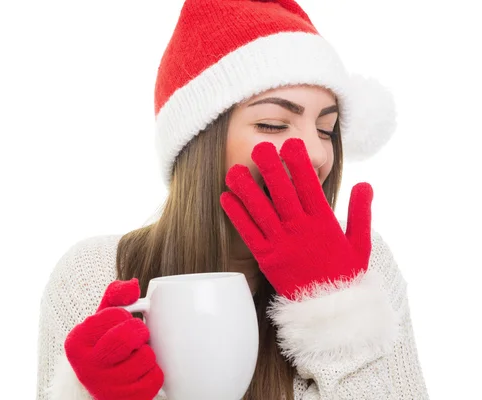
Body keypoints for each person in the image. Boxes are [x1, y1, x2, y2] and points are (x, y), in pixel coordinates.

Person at [36, 0, 429, 399]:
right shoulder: (91, 275)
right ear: (199, 144)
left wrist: (336, 312)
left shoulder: (363, 265)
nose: (316, 153)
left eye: (326, 129)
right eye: (273, 124)